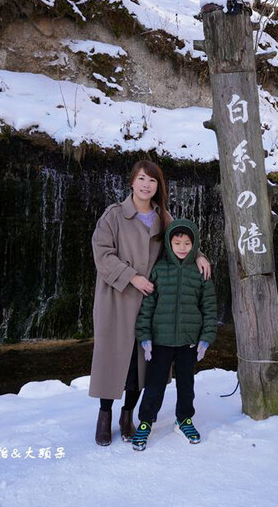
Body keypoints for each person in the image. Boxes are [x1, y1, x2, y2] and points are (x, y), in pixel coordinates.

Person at [89, 160, 211, 447]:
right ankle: (104, 415)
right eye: (142, 179)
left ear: (158, 186)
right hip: (117, 298)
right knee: (112, 359)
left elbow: (182, 240)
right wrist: (132, 277)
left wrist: (201, 256)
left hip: (152, 301)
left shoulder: (162, 216)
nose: (146, 185)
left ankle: (127, 414)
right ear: (132, 182)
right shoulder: (113, 216)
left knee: (141, 363)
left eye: (152, 181)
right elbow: (102, 254)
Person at [131, 219, 217, 451]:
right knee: (154, 384)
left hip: (189, 341)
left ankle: (184, 419)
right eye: (177, 242)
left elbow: (209, 308)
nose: (181, 247)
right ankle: (146, 422)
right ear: (169, 244)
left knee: (186, 384)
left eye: (187, 243)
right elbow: (147, 307)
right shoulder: (159, 269)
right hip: (161, 340)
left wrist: (206, 337)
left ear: (194, 245)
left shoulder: (200, 272)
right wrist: (145, 336)